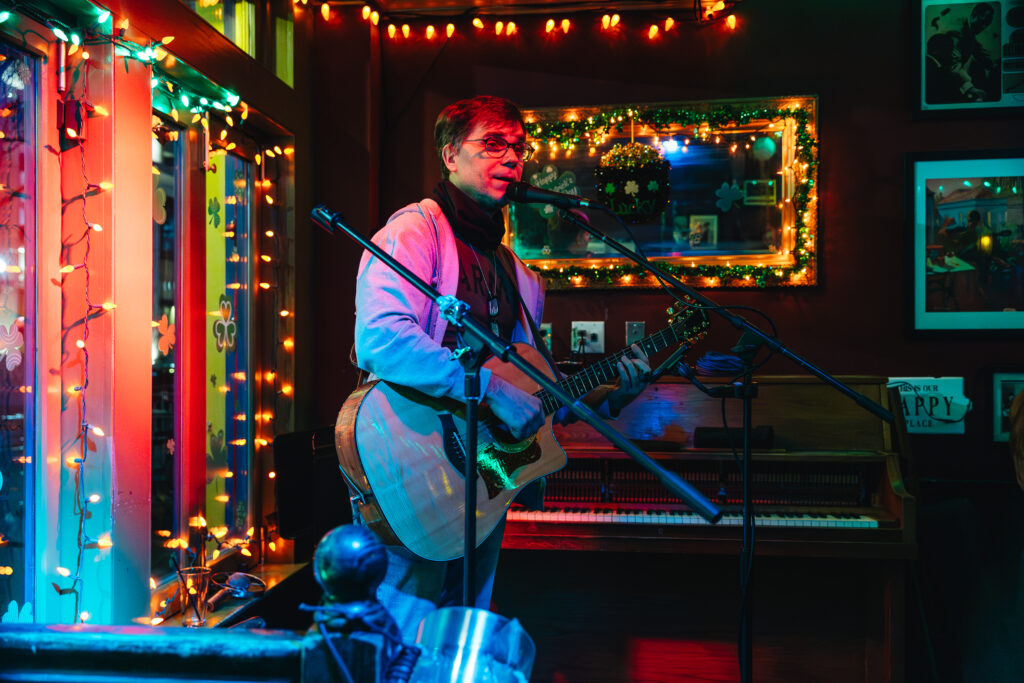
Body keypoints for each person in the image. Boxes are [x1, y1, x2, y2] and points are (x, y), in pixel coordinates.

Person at [351, 95, 652, 637]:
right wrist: (486, 387)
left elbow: (529, 399)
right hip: (409, 460)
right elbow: (380, 339)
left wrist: (608, 396)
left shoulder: (519, 273)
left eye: (518, 146)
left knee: (463, 635)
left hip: (485, 479)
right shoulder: (416, 232)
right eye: (492, 144)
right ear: (449, 155)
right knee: (399, 638)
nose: (512, 157)